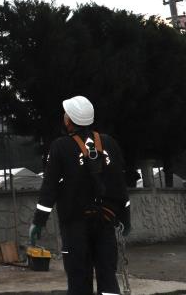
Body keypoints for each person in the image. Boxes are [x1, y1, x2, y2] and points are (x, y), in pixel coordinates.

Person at [29, 95, 131, 295]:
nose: (64, 117)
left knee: (78, 279)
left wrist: (38, 222)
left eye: (65, 114)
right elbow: (120, 185)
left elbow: (49, 188)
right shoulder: (109, 143)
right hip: (106, 221)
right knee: (108, 277)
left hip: (75, 224)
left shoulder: (60, 146)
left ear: (70, 119)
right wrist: (126, 218)